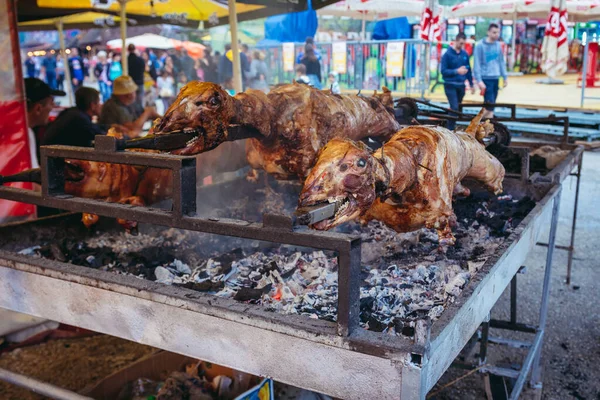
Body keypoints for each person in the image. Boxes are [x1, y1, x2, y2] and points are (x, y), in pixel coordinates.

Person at [42, 87, 106, 147]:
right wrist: (102, 116)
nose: (101, 105)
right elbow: (102, 136)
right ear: (92, 105)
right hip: (52, 157)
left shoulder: (73, 112)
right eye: (99, 102)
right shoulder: (79, 119)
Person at [24, 78, 65, 168]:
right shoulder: (24, 135)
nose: (53, 107)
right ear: (38, 108)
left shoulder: (24, 131)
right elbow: (29, 177)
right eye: (51, 103)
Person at [473, 23, 508, 118]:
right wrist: (479, 80)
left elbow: (501, 61)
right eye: (494, 32)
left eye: (498, 32)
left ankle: (487, 129)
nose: (496, 34)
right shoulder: (480, 45)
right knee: (489, 106)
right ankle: (475, 124)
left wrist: (505, 77)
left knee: (491, 107)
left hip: (495, 77)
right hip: (485, 78)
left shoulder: (498, 45)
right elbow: (477, 63)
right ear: (488, 32)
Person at [441, 33, 474, 130]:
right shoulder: (447, 54)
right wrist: (456, 71)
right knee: (454, 107)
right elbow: (443, 71)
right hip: (450, 84)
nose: (461, 45)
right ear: (455, 41)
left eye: (463, 44)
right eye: (460, 43)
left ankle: (450, 125)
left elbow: (468, 70)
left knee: (457, 108)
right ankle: (450, 128)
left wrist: (471, 83)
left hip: (461, 85)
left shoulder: (464, 54)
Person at [128, 44, 146, 109]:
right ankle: (139, 113)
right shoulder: (140, 60)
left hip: (130, 83)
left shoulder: (126, 60)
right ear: (134, 49)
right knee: (140, 100)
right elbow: (143, 70)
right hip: (140, 82)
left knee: (131, 101)